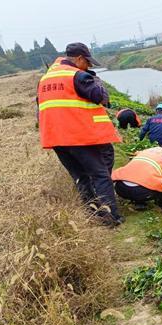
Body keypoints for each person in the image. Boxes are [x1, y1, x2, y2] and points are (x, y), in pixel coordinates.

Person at [37, 42, 123, 226]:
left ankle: (93, 214)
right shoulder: (78, 76)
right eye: (88, 63)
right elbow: (101, 97)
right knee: (100, 175)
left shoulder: (45, 80)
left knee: (80, 177)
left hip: (55, 138)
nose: (89, 66)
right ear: (79, 59)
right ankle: (111, 218)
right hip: (77, 136)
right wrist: (94, 79)